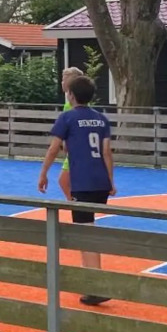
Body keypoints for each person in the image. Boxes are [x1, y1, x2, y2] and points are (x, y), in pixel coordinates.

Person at [37, 75, 115, 306]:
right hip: (100, 182)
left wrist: (43, 174)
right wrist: (110, 181)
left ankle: (95, 285)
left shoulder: (67, 118)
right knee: (89, 231)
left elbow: (53, 149)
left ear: (70, 95)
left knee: (85, 233)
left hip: (83, 183)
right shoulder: (101, 119)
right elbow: (107, 152)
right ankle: (92, 282)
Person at [57, 65, 85, 201]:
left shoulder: (72, 105)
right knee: (68, 181)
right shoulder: (70, 104)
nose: (62, 82)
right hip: (75, 149)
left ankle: (75, 204)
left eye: (64, 79)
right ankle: (75, 202)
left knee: (64, 181)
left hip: (76, 150)